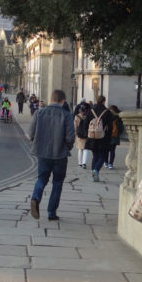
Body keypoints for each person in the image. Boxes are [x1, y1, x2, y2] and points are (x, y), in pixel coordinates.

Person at [28, 89, 75, 221]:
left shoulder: (39, 113)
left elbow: (30, 134)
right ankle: (51, 212)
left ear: (51, 99)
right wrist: (66, 147)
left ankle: (35, 198)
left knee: (41, 179)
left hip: (43, 154)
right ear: (63, 101)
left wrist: (38, 143)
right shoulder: (66, 115)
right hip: (60, 155)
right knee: (57, 183)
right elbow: (70, 137)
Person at [82, 95, 114, 182]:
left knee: (95, 156)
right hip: (102, 137)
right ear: (104, 101)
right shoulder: (107, 112)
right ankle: (96, 170)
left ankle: (93, 175)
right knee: (102, 157)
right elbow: (110, 126)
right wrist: (109, 136)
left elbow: (85, 124)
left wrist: (87, 133)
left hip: (92, 137)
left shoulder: (91, 111)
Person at [106, 105, 124, 169]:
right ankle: (111, 164)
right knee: (112, 150)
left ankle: (106, 162)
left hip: (107, 135)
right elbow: (121, 128)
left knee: (106, 150)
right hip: (115, 135)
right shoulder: (118, 117)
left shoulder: (107, 116)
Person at [73, 102, 90, 169]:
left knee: (80, 149)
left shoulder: (77, 117)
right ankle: (84, 163)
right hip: (87, 134)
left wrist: (75, 134)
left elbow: (75, 127)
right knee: (86, 149)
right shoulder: (88, 116)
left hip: (79, 134)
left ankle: (79, 163)